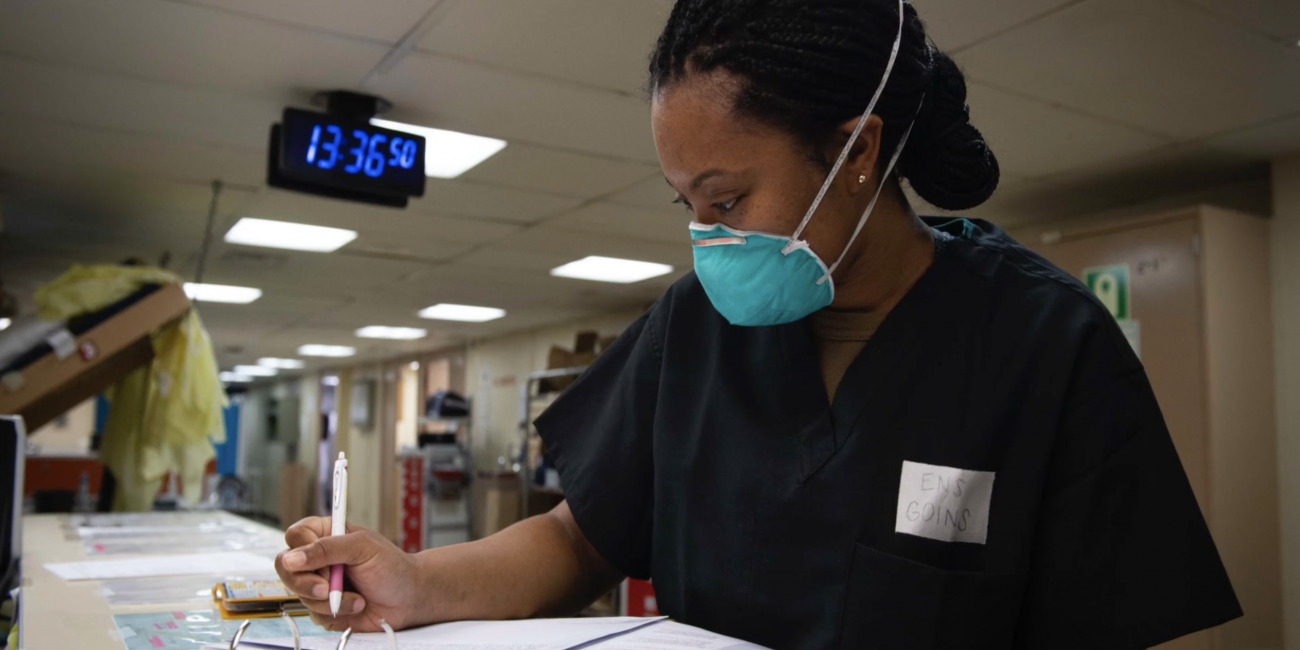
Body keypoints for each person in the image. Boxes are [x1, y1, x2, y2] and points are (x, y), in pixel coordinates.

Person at [275, 1, 1243, 647]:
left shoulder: (1045, 344)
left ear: (855, 151)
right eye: (687, 205)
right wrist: (416, 582)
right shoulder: (694, 326)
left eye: (728, 199)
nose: (707, 238)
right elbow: (580, 538)